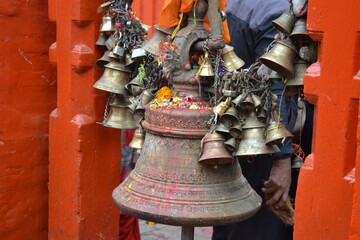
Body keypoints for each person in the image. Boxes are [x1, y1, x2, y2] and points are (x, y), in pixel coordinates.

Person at [212, 0, 293, 239]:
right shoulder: (277, 11)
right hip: (265, 143)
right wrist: (282, 160)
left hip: (233, 132)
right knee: (258, 227)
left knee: (231, 222)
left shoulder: (237, 3)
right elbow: (272, 86)